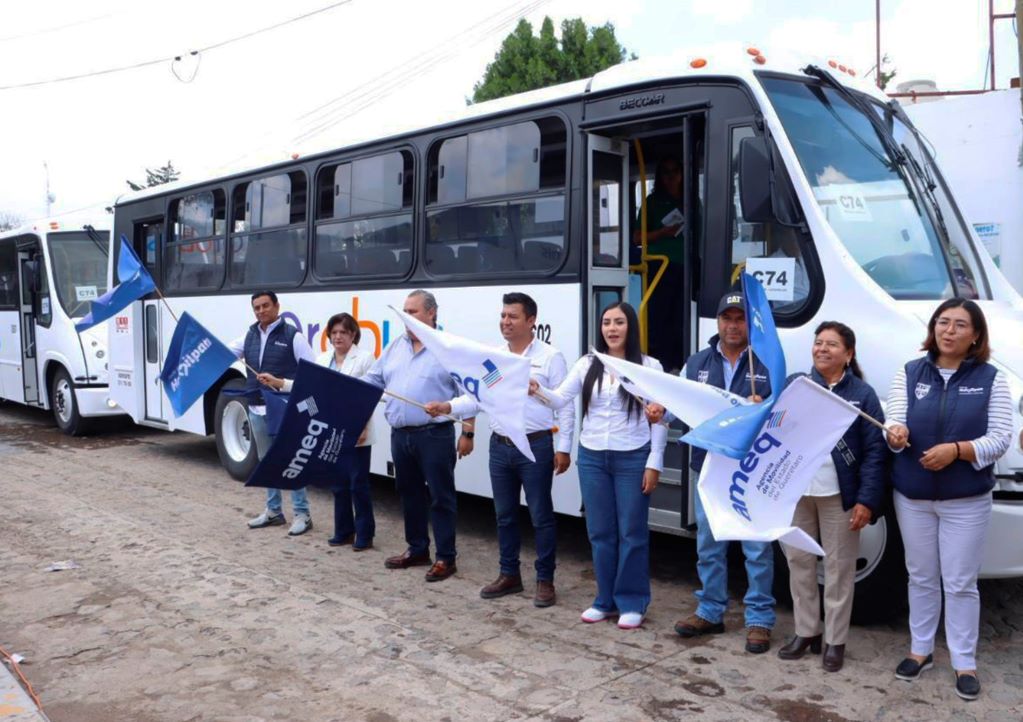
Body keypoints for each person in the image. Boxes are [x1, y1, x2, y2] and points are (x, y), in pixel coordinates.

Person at [885, 299, 1012, 701]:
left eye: (960, 325)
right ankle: (920, 650)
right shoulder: (909, 372)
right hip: (913, 495)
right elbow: (893, 418)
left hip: (966, 500)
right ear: (933, 328)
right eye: (943, 322)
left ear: (976, 335)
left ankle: (964, 661)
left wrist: (957, 450)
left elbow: (1000, 439)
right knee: (920, 576)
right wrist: (895, 432)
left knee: (959, 583)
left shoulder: (992, 378)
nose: (950, 330)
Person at [425, 292, 575, 607]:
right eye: (503, 316)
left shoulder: (550, 357)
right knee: (504, 516)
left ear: (531, 321)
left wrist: (563, 447)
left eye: (513, 316)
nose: (505, 322)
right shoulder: (494, 358)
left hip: (536, 446)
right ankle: (509, 575)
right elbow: (478, 398)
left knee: (541, 516)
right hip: (500, 448)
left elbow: (565, 406)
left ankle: (545, 580)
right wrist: (447, 406)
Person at [531, 301, 666, 629]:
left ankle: (633, 601)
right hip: (592, 457)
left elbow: (659, 418)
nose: (612, 329)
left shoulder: (649, 365)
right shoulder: (588, 363)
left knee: (632, 533)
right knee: (600, 532)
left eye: (619, 322)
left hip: (633, 456)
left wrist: (655, 462)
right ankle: (605, 600)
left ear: (630, 327)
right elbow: (560, 398)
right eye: (607, 323)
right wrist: (536, 391)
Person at [777, 322, 887, 672]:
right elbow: (775, 428)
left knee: (839, 569)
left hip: (839, 494)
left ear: (848, 354)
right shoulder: (798, 385)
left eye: (832, 344)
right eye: (818, 342)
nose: (822, 349)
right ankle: (805, 631)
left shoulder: (863, 394)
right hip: (797, 491)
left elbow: (874, 452)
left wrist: (867, 500)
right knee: (799, 563)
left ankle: (835, 641)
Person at [672, 291, 776, 653]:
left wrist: (766, 409)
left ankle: (759, 618)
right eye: (727, 318)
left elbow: (783, 418)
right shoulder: (698, 362)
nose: (733, 326)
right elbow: (678, 406)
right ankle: (710, 611)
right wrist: (659, 409)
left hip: (751, 471)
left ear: (750, 323)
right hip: (709, 468)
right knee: (709, 544)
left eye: (740, 318)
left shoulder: (767, 363)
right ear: (717, 322)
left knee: (756, 547)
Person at [362, 290, 475, 583]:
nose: (406, 316)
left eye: (412, 311)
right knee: (408, 494)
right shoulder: (394, 346)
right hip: (401, 436)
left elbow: (470, 394)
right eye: (404, 311)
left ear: (431, 313)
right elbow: (374, 380)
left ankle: (446, 558)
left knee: (441, 497)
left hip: (434, 435)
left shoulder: (448, 349)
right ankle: (417, 549)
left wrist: (468, 431)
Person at [258, 312, 376, 551]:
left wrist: (362, 425)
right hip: (332, 433)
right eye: (334, 333)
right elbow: (303, 384)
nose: (338, 336)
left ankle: (365, 534)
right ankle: (344, 531)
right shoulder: (323, 359)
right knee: (339, 484)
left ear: (353, 334)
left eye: (343, 332)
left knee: (358, 485)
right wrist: (277, 382)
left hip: (356, 431)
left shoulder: (364, 359)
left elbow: (369, 396)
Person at [230, 291, 317, 536]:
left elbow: (311, 373)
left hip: (284, 410)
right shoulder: (249, 335)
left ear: (277, 306)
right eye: (256, 307)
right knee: (266, 461)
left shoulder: (293, 336)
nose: (261, 311)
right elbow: (225, 353)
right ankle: (273, 511)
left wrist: (281, 382)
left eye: (265, 306)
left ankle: (302, 514)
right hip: (256, 408)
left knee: (291, 461)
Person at [632, 156, 686, 372]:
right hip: (659, 267)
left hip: (689, 268)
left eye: (676, 171)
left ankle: (681, 362)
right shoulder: (652, 202)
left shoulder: (691, 201)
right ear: (660, 177)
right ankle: (662, 363)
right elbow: (637, 238)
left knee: (681, 318)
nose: (671, 177)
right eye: (666, 172)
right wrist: (663, 233)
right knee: (660, 319)